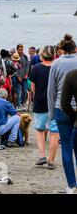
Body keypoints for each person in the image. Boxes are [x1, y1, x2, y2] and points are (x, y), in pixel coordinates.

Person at [47, 34, 77, 194]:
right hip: (75, 108)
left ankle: (71, 185)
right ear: (75, 49)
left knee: (66, 146)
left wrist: (51, 115)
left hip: (61, 108)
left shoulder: (56, 63)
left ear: (61, 50)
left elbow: (51, 92)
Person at [29, 46, 59, 169]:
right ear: (54, 55)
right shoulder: (57, 67)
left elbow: (32, 88)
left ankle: (42, 155)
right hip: (55, 103)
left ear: (41, 55)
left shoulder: (36, 68)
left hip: (40, 101)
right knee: (54, 132)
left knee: (39, 129)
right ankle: (51, 160)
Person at [17, 44, 30, 108]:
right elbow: (14, 68)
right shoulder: (15, 56)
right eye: (20, 49)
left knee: (25, 91)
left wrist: (27, 74)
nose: (21, 51)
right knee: (18, 91)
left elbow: (27, 66)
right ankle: (18, 104)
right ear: (17, 50)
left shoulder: (25, 57)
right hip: (18, 77)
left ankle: (23, 103)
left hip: (24, 77)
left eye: (22, 49)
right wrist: (18, 76)